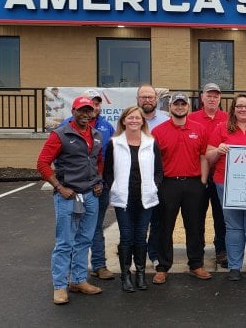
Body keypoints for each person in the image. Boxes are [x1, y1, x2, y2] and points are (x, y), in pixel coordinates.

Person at [37, 96, 104, 305]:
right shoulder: (60, 134)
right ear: (73, 111)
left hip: (91, 195)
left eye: (89, 110)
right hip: (68, 195)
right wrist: (59, 187)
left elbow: (98, 160)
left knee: (85, 239)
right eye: (81, 110)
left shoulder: (96, 135)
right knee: (65, 242)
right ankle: (59, 286)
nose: (85, 114)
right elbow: (42, 163)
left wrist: (98, 180)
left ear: (93, 112)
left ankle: (78, 280)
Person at [151, 93, 211, 284]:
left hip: (193, 183)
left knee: (195, 226)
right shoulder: (159, 131)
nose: (179, 106)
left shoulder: (199, 129)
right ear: (170, 107)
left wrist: (202, 181)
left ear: (188, 107)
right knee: (164, 226)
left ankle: (196, 264)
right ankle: (163, 266)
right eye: (176, 104)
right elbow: (154, 162)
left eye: (182, 104)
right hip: (168, 184)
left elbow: (203, 156)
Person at [206, 94, 246, 282]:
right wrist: (218, 150)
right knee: (233, 227)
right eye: (239, 106)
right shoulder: (221, 128)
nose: (243, 109)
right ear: (233, 109)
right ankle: (234, 266)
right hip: (226, 183)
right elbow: (208, 157)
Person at [104, 106, 163, 292]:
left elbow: (159, 170)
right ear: (123, 121)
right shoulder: (114, 143)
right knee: (127, 236)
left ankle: (140, 273)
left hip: (145, 199)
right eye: (130, 118)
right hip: (124, 200)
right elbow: (107, 171)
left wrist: (154, 186)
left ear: (142, 121)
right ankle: (125, 275)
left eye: (138, 118)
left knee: (140, 237)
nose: (134, 121)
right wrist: (113, 187)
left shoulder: (151, 142)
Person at [61, 88, 116, 280]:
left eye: (96, 104)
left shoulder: (107, 127)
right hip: (73, 188)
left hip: (99, 185)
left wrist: (102, 180)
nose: (92, 108)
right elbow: (52, 159)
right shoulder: (65, 126)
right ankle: (69, 272)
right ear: (75, 110)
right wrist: (61, 184)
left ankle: (99, 265)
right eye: (88, 105)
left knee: (95, 227)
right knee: (71, 231)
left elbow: (107, 158)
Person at [188, 83, 229, 268]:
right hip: (198, 176)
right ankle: (197, 251)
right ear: (202, 97)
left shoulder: (228, 119)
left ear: (220, 98)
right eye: (209, 95)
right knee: (197, 216)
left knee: (221, 216)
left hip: (222, 176)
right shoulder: (192, 118)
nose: (212, 98)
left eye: (216, 96)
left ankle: (221, 250)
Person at [137, 84, 170, 267]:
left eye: (150, 97)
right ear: (137, 99)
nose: (147, 100)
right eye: (143, 97)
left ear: (156, 100)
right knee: (137, 222)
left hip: (158, 179)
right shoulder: (130, 119)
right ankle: (137, 254)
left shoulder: (166, 119)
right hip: (134, 179)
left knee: (157, 220)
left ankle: (154, 253)